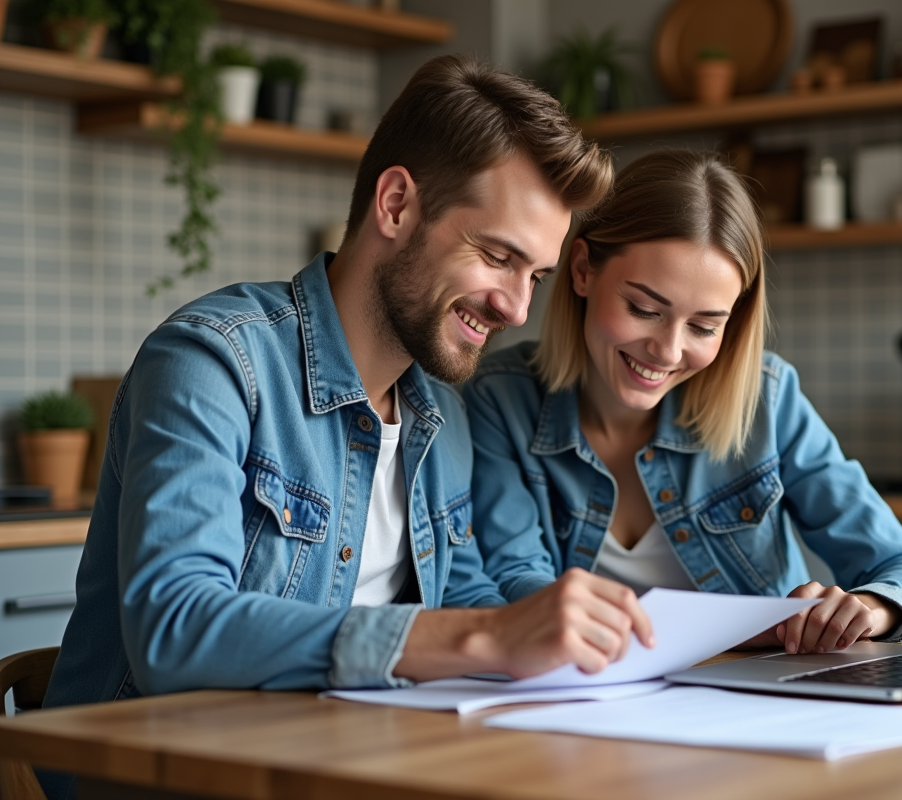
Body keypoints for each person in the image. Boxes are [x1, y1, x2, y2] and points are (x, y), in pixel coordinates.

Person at [41, 55, 655, 795]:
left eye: (536, 277)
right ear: (396, 205)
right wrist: (478, 637)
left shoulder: (440, 412)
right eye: (497, 256)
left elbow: (467, 600)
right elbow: (174, 626)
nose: (517, 309)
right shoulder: (214, 362)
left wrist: (569, 635)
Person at [464, 150, 902, 654]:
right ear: (583, 270)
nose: (668, 351)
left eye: (703, 326)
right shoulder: (502, 399)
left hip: (759, 700)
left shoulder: (767, 400)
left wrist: (872, 610)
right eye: (644, 309)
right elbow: (516, 584)